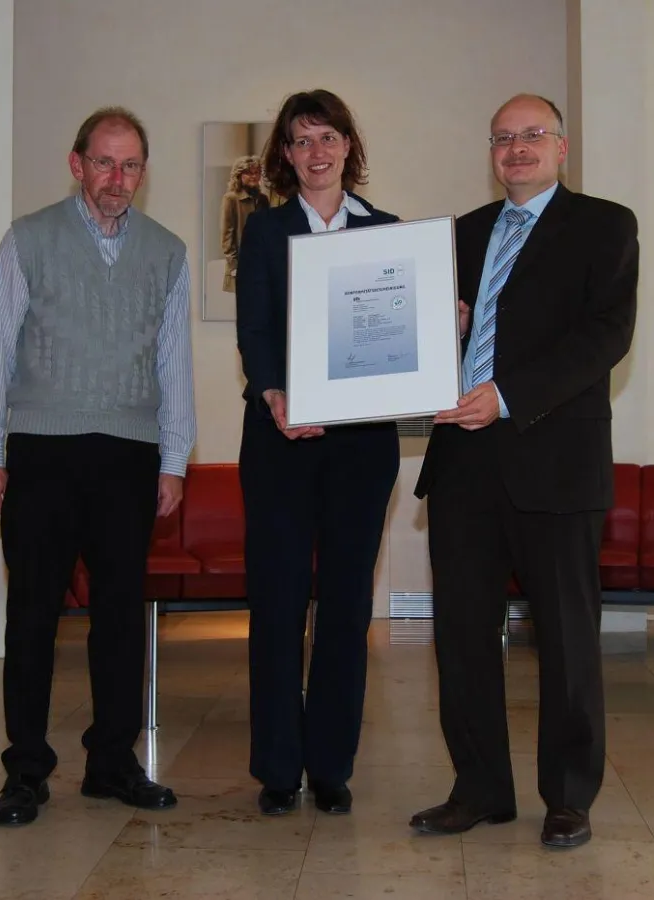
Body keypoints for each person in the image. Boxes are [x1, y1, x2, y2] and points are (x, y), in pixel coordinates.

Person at [410, 94, 638, 849]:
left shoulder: (606, 226)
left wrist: (507, 396)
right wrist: (447, 332)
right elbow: (435, 336)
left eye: (532, 135)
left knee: (567, 638)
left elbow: (605, 336)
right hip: (463, 463)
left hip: (555, 459)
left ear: (562, 147)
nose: (517, 149)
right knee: (462, 637)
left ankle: (569, 796)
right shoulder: (463, 234)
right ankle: (479, 789)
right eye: (503, 138)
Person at [0, 106, 196, 827]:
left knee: (120, 617)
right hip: (40, 448)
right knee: (33, 613)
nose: (117, 179)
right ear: (76, 164)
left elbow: (174, 365)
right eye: (104, 162)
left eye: (131, 165)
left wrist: (175, 458)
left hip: (129, 456)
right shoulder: (28, 240)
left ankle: (111, 762)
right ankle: (27, 771)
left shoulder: (167, 251)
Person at [236, 89, 400, 816]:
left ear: (348, 146)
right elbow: (257, 330)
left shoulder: (389, 231)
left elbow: (398, 335)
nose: (316, 152)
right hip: (279, 439)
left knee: (344, 606)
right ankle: (277, 769)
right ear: (284, 156)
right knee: (275, 602)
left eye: (327, 137)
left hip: (362, 447)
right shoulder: (265, 233)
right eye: (300, 141)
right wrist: (274, 393)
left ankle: (331, 765)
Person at [220, 155, 269, 291]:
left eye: (256, 172)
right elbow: (227, 236)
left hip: (261, 265)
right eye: (248, 173)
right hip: (239, 266)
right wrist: (234, 265)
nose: (253, 176)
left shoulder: (263, 200)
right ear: (239, 175)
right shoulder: (231, 199)